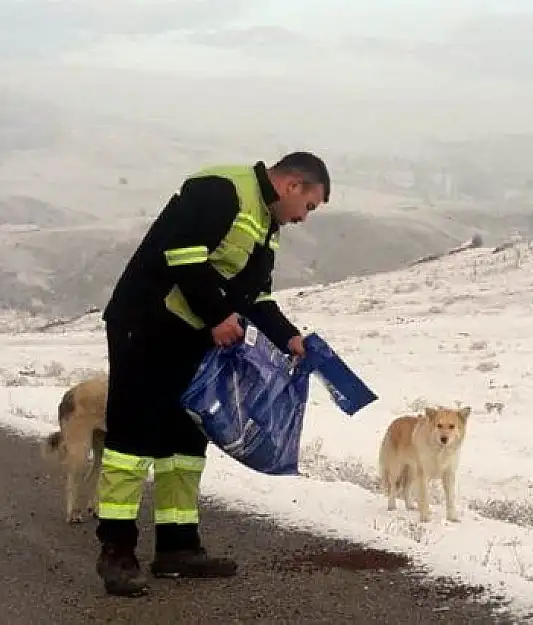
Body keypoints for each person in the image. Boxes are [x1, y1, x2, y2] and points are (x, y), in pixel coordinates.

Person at [94, 152, 330, 597]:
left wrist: (292, 339)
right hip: (145, 323)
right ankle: (116, 551)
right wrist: (218, 314)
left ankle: (178, 548)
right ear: (292, 185)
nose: (304, 218)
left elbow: (255, 297)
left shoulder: (268, 226)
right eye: (309, 206)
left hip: (193, 334)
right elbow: (181, 254)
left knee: (184, 441)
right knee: (133, 436)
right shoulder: (223, 188)